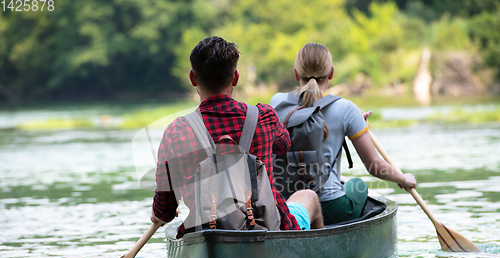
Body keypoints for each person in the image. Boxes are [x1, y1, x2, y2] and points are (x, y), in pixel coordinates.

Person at [151, 36, 324, 237]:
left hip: (208, 234)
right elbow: (283, 146)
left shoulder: (176, 132)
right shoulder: (265, 117)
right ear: (236, 77)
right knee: (308, 196)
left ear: (192, 78)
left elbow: (165, 209)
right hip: (269, 227)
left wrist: (158, 215)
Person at [270, 43, 417, 225]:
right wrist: (403, 178)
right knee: (357, 184)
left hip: (287, 203)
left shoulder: (277, 102)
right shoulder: (346, 108)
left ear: (296, 73)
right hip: (331, 207)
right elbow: (374, 166)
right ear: (331, 73)